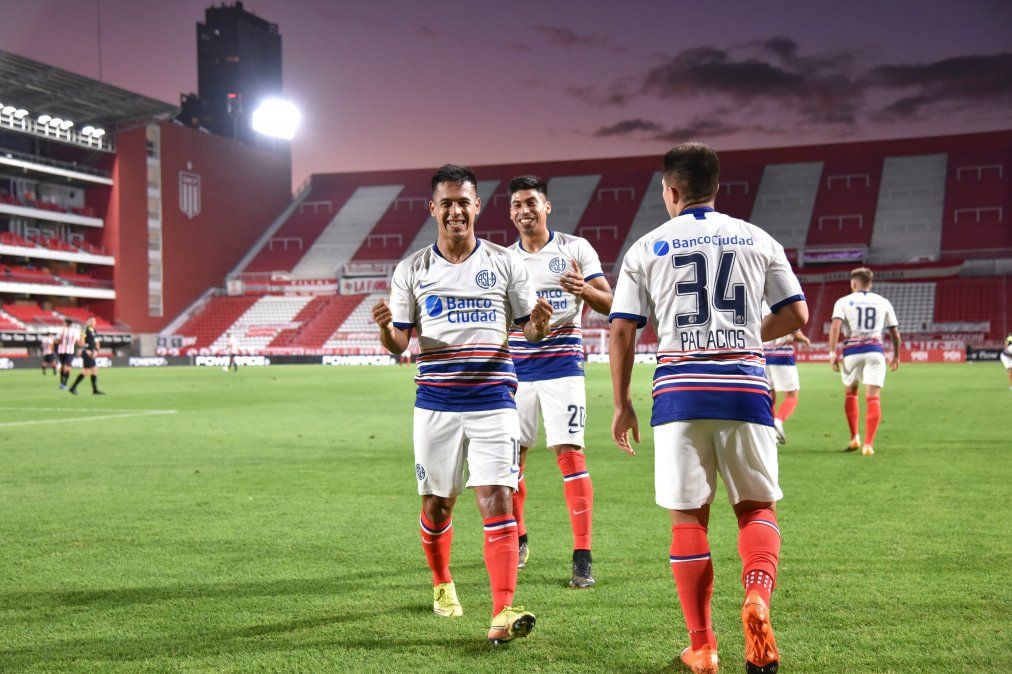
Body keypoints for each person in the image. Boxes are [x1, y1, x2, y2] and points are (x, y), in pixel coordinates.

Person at [609, 143, 807, 674]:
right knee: (756, 508)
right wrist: (747, 334)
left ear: (671, 191)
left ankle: (702, 647)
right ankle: (757, 596)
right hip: (745, 389)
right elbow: (797, 313)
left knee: (688, 518)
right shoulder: (757, 238)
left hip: (679, 394)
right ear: (716, 187)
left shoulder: (645, 248)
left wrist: (622, 403)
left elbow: (623, 329)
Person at [371, 164, 553, 645]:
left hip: (494, 401)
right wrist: (386, 329)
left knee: (498, 498)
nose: (455, 210)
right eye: (446, 203)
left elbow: (530, 330)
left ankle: (502, 611)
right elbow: (399, 343)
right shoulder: (412, 269)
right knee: (437, 506)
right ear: (433, 208)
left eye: (463, 202)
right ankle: (442, 581)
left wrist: (540, 325)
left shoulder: (505, 263)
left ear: (477, 206)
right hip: (436, 403)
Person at [505, 175, 613, 588]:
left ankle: (582, 556)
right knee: (512, 458)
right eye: (517, 205)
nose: (524, 211)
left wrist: (583, 289)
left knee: (570, 453)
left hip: (563, 367)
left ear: (546, 206)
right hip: (517, 369)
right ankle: (519, 538)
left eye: (531, 202)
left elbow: (612, 303)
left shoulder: (575, 249)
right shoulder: (504, 260)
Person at [827, 267, 900, 456]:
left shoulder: (843, 301)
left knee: (851, 393)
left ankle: (854, 438)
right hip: (875, 351)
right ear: (870, 283)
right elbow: (895, 333)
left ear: (854, 283)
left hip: (852, 352)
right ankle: (868, 444)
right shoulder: (883, 302)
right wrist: (896, 355)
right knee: (873, 397)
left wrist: (832, 353)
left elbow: (835, 328)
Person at [761, 304, 810, 444]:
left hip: (763, 356)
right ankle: (778, 421)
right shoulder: (784, 304)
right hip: (782, 356)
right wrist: (805, 340)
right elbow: (796, 333)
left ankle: (770, 431)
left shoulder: (759, 304)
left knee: (770, 395)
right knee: (792, 395)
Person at [69, 317, 105, 395]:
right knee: (86, 371)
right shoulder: (85, 329)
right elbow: (81, 340)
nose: (93, 322)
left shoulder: (94, 331)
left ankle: (94, 390)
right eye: (91, 321)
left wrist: (96, 351)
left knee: (94, 370)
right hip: (87, 353)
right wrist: (85, 350)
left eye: (94, 321)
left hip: (92, 352)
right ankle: (73, 387)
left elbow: (97, 342)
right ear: (87, 322)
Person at [55, 318, 80, 391]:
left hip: (61, 351)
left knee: (63, 366)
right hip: (70, 351)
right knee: (67, 367)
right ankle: (64, 384)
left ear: (66, 323)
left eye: (64, 323)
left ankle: (62, 384)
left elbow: (58, 340)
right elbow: (78, 342)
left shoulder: (61, 330)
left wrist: (58, 341)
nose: (63, 324)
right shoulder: (75, 331)